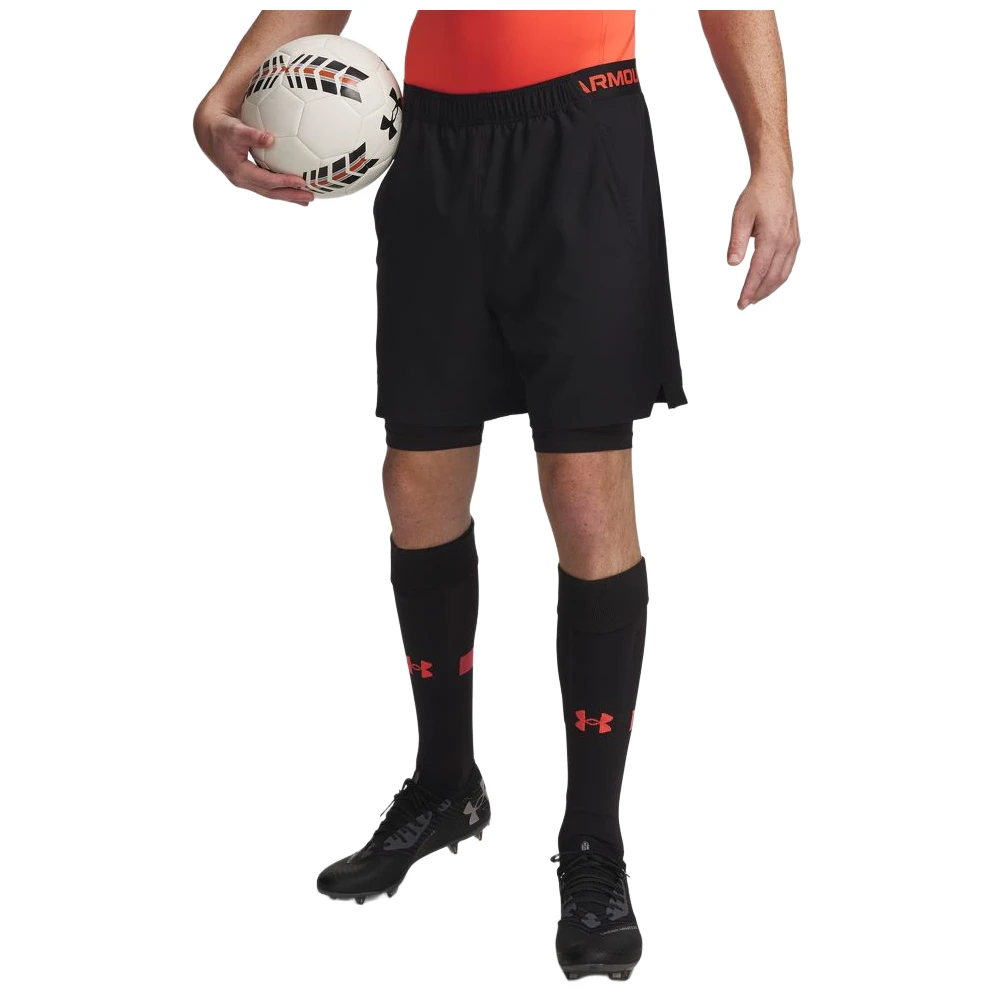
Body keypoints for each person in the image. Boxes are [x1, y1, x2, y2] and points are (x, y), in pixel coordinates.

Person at [194, 9, 799, 981]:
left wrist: (772, 162)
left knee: (587, 497)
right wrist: (223, 97)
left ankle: (593, 840)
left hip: (582, 137)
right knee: (415, 487)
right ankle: (446, 784)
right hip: (433, 148)